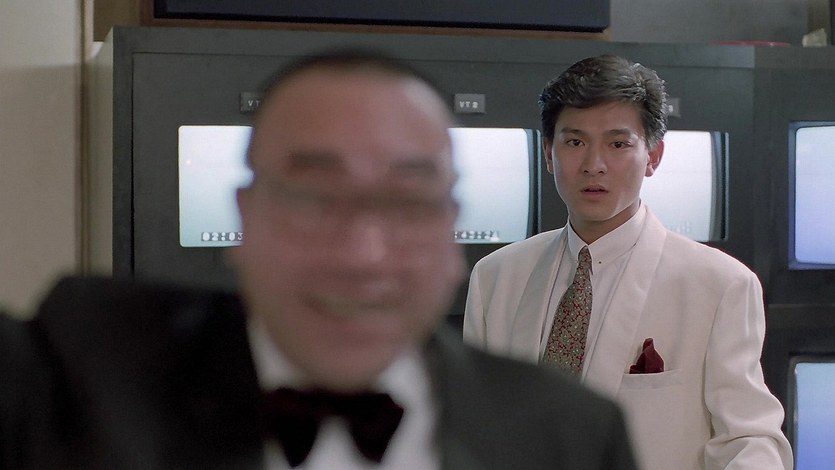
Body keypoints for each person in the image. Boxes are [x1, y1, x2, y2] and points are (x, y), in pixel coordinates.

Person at [0, 50, 638, 469]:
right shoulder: (84, 373)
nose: (362, 254)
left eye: (407, 202)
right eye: (312, 199)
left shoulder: (568, 436)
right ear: (244, 220)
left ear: (451, 233)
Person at [463, 54, 794, 470]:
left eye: (618, 144)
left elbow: (749, 439)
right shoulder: (496, 277)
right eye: (575, 142)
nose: (594, 165)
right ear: (548, 152)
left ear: (653, 155)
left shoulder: (720, 284)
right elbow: (471, 431)